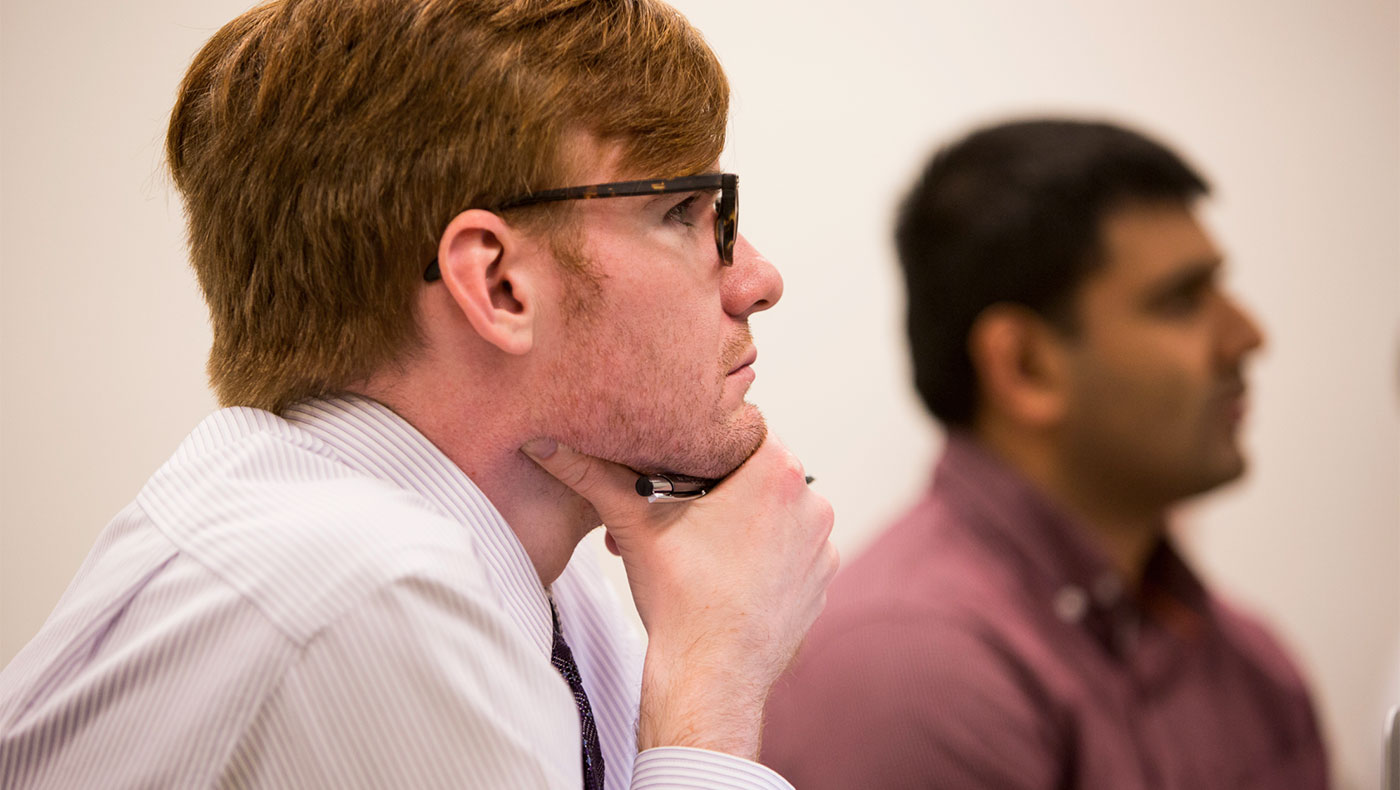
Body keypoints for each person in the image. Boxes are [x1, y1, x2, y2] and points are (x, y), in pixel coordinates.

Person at [0, 1, 837, 788]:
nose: (758, 280)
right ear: (500, 285)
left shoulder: (518, 561)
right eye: (685, 211)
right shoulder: (366, 592)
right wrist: (713, 679)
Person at [761, 118, 1328, 789]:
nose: (1246, 336)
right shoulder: (914, 665)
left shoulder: (1248, 663)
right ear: (1025, 366)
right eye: (1182, 300)